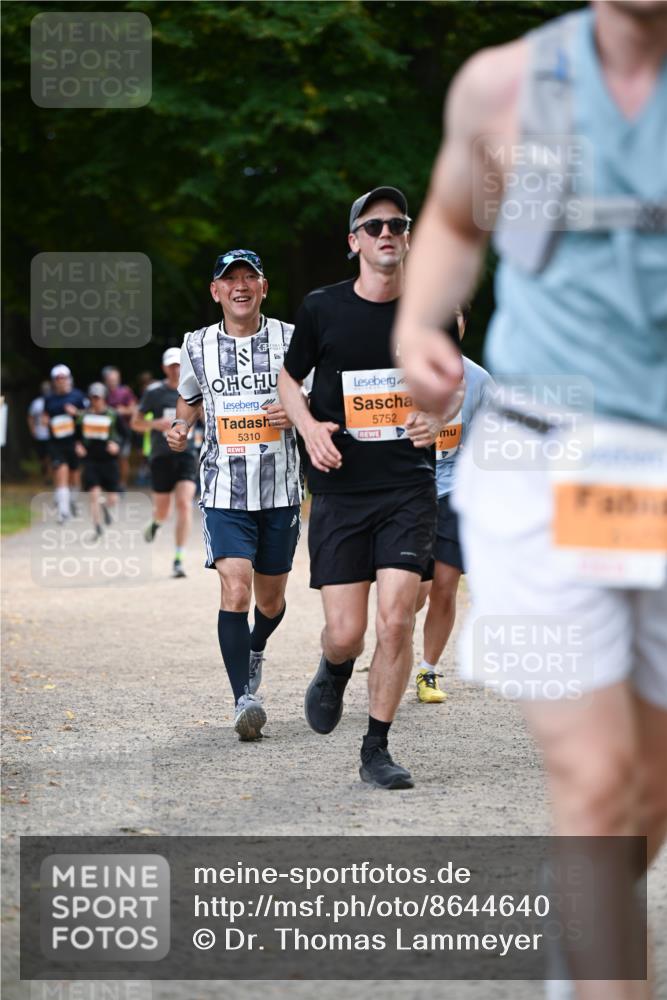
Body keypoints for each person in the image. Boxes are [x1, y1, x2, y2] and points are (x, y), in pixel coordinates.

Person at [394, 3, 667, 997]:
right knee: (594, 785)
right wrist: (424, 316)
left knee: (644, 791)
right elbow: (453, 221)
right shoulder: (502, 85)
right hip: (545, 465)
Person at [279, 187, 461, 790]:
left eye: (397, 224)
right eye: (374, 225)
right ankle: (333, 668)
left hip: (408, 489)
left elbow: (451, 384)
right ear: (354, 241)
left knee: (395, 621)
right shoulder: (321, 309)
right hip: (341, 491)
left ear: (407, 238)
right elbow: (288, 380)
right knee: (347, 632)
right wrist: (307, 427)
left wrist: (438, 416)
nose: (387, 233)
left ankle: (375, 747)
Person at [166, 249, 304, 742]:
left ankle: (255, 647)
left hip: (282, 488)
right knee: (236, 586)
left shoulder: (292, 338)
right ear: (216, 291)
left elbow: (314, 394)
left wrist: (296, 413)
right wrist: (182, 425)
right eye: (231, 279)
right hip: (224, 487)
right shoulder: (196, 345)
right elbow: (189, 394)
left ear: (264, 287)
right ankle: (243, 699)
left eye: (250, 277)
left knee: (271, 601)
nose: (240, 286)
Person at [414, 305, 494, 704]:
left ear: (463, 324)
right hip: (409, 493)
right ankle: (393, 643)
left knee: (444, 587)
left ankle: (427, 670)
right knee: (413, 594)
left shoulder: (478, 380)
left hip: (452, 495)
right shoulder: (399, 369)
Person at [131, 348, 197, 578]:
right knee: (163, 509)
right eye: (171, 365)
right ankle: (156, 523)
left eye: (179, 364)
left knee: (184, 503)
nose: (175, 369)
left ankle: (178, 558)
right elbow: (135, 423)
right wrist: (155, 424)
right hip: (161, 456)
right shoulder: (154, 393)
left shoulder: (195, 388)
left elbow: (207, 416)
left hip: (188, 454)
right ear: (164, 368)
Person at [42, 364, 88, 523]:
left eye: (64, 378)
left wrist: (76, 413)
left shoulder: (78, 396)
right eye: (58, 378)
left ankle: (71, 499)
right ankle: (63, 511)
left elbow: (88, 418)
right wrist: (45, 421)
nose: (61, 381)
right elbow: (46, 417)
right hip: (56, 442)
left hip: (74, 442)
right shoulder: (48, 398)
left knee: (74, 476)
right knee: (61, 472)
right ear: (54, 381)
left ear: (69, 379)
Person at [75, 382, 121, 537]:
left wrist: (117, 445)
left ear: (104, 398)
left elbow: (126, 435)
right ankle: (97, 527)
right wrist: (78, 445)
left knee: (113, 499)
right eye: (93, 398)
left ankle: (105, 506)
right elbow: (75, 436)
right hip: (91, 461)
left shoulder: (113, 415)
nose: (96, 401)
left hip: (109, 461)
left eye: (99, 398)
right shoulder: (83, 417)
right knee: (94, 494)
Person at [101, 366, 137, 490]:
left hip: (123, 431)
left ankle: (122, 484)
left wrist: (122, 410)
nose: (112, 381)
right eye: (110, 379)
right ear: (105, 380)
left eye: (115, 379)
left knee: (122, 458)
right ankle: (109, 482)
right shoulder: (102, 393)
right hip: (107, 430)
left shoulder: (125, 392)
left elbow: (134, 409)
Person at [27, 380, 52, 483]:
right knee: (42, 457)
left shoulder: (54, 401)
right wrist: (32, 429)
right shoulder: (36, 403)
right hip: (40, 434)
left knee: (51, 456)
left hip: (52, 435)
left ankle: (50, 477)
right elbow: (30, 417)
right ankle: (45, 475)